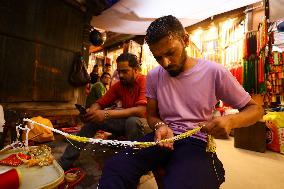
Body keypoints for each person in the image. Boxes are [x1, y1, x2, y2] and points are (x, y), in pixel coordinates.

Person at [98, 15, 263, 189]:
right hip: (161, 138)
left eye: (170, 53)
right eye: (158, 57)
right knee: (115, 167)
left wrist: (231, 120)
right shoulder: (154, 76)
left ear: (185, 40)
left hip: (195, 141)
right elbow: (151, 115)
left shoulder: (214, 72)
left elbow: (256, 109)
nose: (165, 63)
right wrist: (160, 126)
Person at [58, 52, 147, 171]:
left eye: (125, 71)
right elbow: (100, 102)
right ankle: (65, 162)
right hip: (126, 123)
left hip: (146, 125)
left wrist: (106, 113)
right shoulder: (119, 85)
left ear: (136, 70)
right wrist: (91, 112)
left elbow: (141, 111)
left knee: (132, 121)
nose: (120, 75)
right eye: (119, 71)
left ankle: (137, 166)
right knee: (93, 120)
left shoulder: (145, 81)